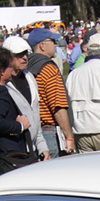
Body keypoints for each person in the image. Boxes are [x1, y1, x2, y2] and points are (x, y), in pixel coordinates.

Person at [27, 28, 74, 156]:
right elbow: (58, 106)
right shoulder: (49, 68)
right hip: (49, 132)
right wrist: (69, 136)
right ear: (42, 45)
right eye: (53, 41)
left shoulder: (27, 66)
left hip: (33, 131)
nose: (56, 44)